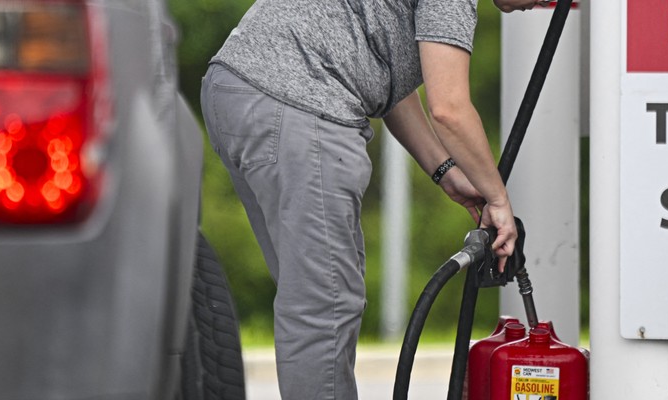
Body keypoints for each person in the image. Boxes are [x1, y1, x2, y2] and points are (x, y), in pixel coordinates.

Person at [200, 0, 534, 397]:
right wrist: (498, 200)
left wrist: (444, 172)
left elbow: (389, 82)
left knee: (314, 294)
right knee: (324, 304)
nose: (540, 5)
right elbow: (450, 109)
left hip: (238, 89)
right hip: (298, 101)